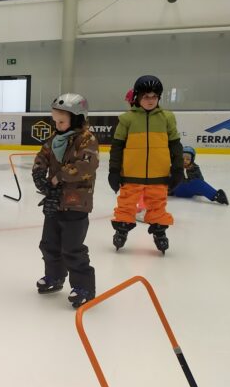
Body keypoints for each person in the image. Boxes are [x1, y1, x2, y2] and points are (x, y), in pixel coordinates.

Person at [32, 93, 99, 308]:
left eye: (62, 121)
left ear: (77, 118)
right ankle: (55, 276)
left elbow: (84, 166)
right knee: (49, 243)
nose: (57, 125)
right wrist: (39, 175)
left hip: (75, 202)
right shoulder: (54, 139)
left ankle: (84, 287)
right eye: (55, 120)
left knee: (72, 247)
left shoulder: (87, 139)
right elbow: (42, 157)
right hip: (55, 200)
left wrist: (56, 178)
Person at [109, 75, 184, 254]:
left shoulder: (167, 118)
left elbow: (175, 145)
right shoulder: (127, 119)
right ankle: (122, 229)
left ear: (159, 97)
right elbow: (117, 147)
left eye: (154, 97)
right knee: (126, 205)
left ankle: (160, 232)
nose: (150, 100)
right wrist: (114, 170)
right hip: (131, 174)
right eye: (145, 97)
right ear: (137, 97)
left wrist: (178, 168)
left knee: (158, 205)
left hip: (159, 174)